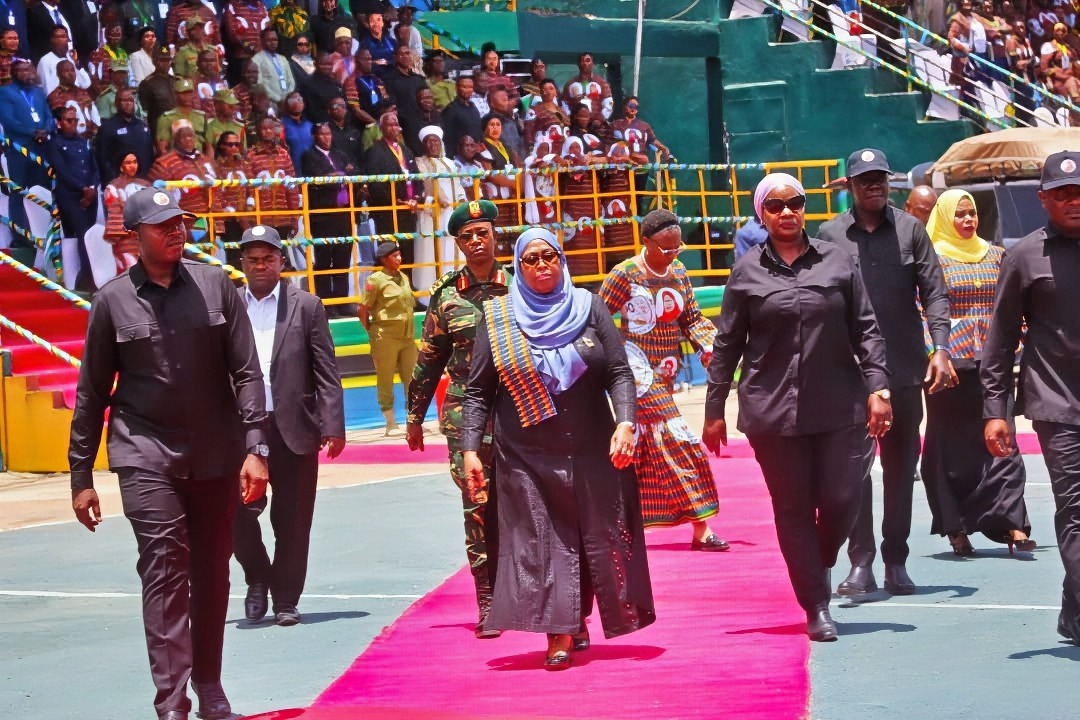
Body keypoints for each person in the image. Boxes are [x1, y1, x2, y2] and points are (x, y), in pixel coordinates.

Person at [68, 187, 269, 720]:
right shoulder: (111, 301)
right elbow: (92, 392)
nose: (177, 231)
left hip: (216, 454)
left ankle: (210, 684)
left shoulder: (216, 286)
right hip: (144, 454)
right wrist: (81, 476)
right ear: (135, 237)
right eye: (163, 225)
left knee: (213, 572)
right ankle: (172, 703)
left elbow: (247, 372)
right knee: (164, 570)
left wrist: (256, 447)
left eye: (180, 222)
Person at [702, 173, 892, 641]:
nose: (787, 212)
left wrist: (879, 388)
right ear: (762, 215)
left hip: (838, 406)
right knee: (792, 510)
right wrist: (714, 408)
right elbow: (727, 344)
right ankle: (816, 605)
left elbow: (866, 328)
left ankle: (818, 556)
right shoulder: (746, 271)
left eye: (796, 202)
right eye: (776, 205)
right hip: (772, 412)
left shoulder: (838, 261)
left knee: (843, 497)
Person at [460, 227, 655, 669]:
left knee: (592, 536)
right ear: (518, 267)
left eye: (549, 255)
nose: (542, 264)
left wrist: (626, 422)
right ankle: (558, 633)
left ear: (562, 261)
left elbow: (619, 372)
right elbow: (478, 392)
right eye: (531, 259)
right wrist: (470, 448)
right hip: (525, 453)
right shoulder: (500, 317)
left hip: (590, 445)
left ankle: (576, 616)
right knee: (542, 540)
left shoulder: (589, 307)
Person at [818, 148, 954, 597]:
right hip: (850, 374)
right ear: (850, 185)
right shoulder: (830, 235)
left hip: (904, 371)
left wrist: (940, 348)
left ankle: (896, 558)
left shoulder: (912, 230)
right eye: (865, 179)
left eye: (879, 178)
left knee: (899, 469)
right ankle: (861, 563)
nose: (874, 185)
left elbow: (935, 293)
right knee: (855, 471)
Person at [983, 150, 1080, 645]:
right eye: (1062, 194)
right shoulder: (1023, 256)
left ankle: (1073, 612)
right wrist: (995, 412)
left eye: (1079, 192)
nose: (1073, 201)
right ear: (1043, 199)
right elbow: (1000, 340)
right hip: (1056, 403)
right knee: (1076, 509)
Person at [233, 225, 346, 627]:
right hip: (241, 428)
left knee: (293, 521)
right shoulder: (228, 305)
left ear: (281, 261)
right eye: (253, 260)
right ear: (242, 264)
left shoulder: (307, 305)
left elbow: (325, 369)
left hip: (295, 428)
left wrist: (333, 423)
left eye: (268, 258)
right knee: (235, 515)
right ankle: (257, 577)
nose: (260, 266)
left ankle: (285, 599)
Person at [406, 200, 507, 639]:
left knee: (526, 504)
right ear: (459, 244)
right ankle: (487, 600)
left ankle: (531, 595)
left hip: (519, 412)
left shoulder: (522, 284)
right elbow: (430, 358)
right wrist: (414, 414)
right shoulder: (447, 295)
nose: (476, 241)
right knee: (477, 506)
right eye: (467, 236)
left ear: (495, 235)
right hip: (467, 419)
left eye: (483, 232)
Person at [599, 208, 728, 549]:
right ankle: (701, 527)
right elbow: (598, 317)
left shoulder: (679, 272)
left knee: (639, 450)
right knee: (679, 437)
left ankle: (621, 527)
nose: (673, 254)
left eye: (677, 247)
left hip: (667, 369)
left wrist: (710, 348)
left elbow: (692, 318)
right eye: (666, 248)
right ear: (646, 241)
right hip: (636, 372)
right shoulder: (624, 275)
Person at [919, 189, 1033, 556]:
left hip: (994, 362)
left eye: (971, 213)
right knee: (951, 450)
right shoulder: (931, 260)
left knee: (1003, 440)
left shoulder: (997, 255)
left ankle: (1014, 524)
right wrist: (936, 352)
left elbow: (1015, 302)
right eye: (959, 214)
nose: (968, 220)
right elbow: (921, 311)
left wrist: (1022, 336)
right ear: (944, 217)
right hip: (951, 367)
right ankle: (956, 527)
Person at [360, 241, 417, 434]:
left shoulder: (403, 277)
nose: (399, 258)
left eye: (399, 254)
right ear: (384, 259)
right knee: (385, 379)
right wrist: (372, 331)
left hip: (407, 337)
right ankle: (390, 422)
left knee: (413, 380)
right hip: (385, 337)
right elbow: (363, 309)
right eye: (394, 256)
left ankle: (413, 421)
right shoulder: (376, 280)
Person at [301, 121, 358, 309]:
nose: (327, 137)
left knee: (343, 258)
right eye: (323, 134)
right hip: (323, 215)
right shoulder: (309, 156)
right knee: (324, 259)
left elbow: (353, 171)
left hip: (343, 214)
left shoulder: (340, 154)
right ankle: (325, 302)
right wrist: (338, 175)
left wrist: (336, 175)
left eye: (329, 134)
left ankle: (342, 301)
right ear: (315, 137)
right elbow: (319, 178)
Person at [45, 105, 100, 292]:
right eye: (69, 120)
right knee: (81, 234)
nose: (74, 123)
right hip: (70, 196)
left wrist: (91, 188)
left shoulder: (84, 141)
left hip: (90, 195)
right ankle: (85, 278)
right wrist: (82, 189)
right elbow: (62, 171)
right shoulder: (55, 143)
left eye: (76, 120)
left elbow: (94, 167)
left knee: (89, 234)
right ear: (59, 123)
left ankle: (88, 275)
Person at [414, 125, 466, 292]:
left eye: (436, 141)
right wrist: (433, 202)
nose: (433, 145)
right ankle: (435, 293)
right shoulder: (420, 163)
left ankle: (457, 288)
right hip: (434, 213)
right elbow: (421, 189)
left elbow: (458, 186)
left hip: (454, 212)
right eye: (429, 142)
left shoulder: (451, 163)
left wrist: (462, 200)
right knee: (435, 252)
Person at [102, 148, 150, 273]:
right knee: (131, 275)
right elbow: (116, 216)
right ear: (121, 166)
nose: (132, 166)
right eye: (128, 163)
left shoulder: (146, 185)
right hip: (125, 240)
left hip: (147, 238)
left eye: (135, 162)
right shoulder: (112, 188)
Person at [96, 88, 154, 184]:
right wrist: (114, 180)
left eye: (130, 100)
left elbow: (149, 153)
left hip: (144, 180)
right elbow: (103, 159)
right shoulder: (108, 127)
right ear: (116, 103)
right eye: (124, 100)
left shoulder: (142, 126)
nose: (128, 104)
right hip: (121, 182)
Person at [47, 58, 99, 138]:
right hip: (73, 139)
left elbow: (93, 114)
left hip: (93, 136)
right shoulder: (55, 96)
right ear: (58, 74)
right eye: (66, 71)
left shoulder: (83, 92)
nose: (71, 74)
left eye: (72, 70)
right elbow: (62, 124)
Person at [441, 75, 483, 164]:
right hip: (458, 158)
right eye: (464, 87)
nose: (468, 90)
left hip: (475, 156)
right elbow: (447, 136)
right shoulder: (451, 109)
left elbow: (478, 131)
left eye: (470, 87)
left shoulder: (474, 108)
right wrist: (451, 157)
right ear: (457, 88)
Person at [560, 51, 612, 121]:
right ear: (578, 64)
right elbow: (564, 103)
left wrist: (601, 119)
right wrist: (569, 118)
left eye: (588, 60)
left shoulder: (601, 83)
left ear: (592, 63)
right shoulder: (570, 84)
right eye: (582, 61)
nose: (585, 63)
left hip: (596, 123)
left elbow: (609, 102)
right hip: (575, 123)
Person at [253, 28, 297, 105]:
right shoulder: (256, 60)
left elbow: (291, 80)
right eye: (269, 40)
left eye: (275, 40)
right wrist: (278, 100)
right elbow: (259, 84)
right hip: (270, 103)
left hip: (288, 102)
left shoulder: (283, 59)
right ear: (262, 41)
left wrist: (288, 98)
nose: (273, 43)